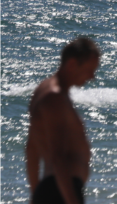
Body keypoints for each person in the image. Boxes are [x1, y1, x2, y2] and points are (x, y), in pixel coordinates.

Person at [26, 37, 102, 204]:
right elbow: (58, 157)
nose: (92, 77)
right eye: (90, 70)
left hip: (52, 190)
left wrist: (35, 193)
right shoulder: (55, 98)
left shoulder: (44, 90)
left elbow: (32, 147)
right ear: (72, 64)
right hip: (60, 192)